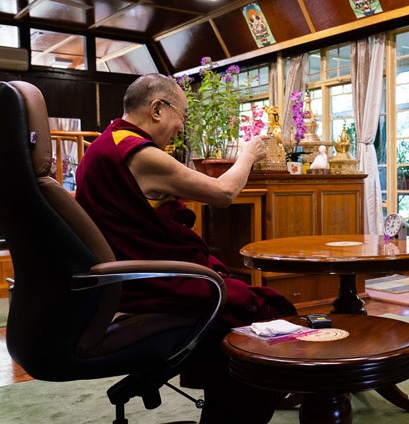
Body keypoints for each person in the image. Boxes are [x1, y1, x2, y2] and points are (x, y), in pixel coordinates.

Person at [74, 73, 297, 424]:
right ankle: (240, 408)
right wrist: (249, 154)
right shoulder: (137, 152)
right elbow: (223, 194)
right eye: (182, 115)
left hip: (130, 275)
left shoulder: (103, 145)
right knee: (260, 308)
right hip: (147, 281)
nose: (182, 128)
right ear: (157, 109)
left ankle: (239, 396)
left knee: (243, 298)